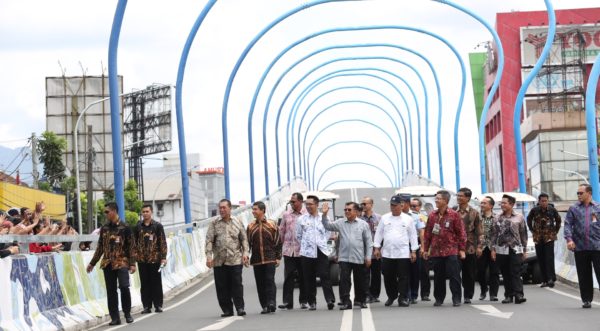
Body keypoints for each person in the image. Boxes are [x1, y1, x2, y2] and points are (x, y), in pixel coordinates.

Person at [86, 202, 137, 325]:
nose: (105, 214)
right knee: (111, 291)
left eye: (107, 212)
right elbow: (100, 248)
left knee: (124, 287)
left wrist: (133, 263)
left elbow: (131, 247)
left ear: (114, 211)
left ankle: (127, 313)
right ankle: (115, 317)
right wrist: (92, 263)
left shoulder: (125, 227)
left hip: (122, 262)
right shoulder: (104, 228)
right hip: (108, 263)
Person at [322, 201, 372, 310]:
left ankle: (360, 300)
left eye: (349, 209)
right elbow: (327, 226)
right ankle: (346, 302)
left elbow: (368, 242)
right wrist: (325, 214)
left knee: (360, 280)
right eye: (345, 210)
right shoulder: (340, 223)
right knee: (344, 280)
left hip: (358, 257)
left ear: (355, 211)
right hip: (344, 257)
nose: (347, 211)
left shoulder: (363, 224)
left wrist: (368, 257)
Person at [205, 199, 249, 317]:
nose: (222, 210)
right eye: (220, 208)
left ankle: (240, 307)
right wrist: (209, 257)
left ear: (230, 208)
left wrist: (245, 253)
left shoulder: (237, 222)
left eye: (224, 207)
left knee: (237, 285)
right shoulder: (214, 223)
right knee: (222, 287)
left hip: (235, 259)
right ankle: (227, 309)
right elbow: (209, 240)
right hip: (219, 261)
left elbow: (244, 239)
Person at [373, 194, 418, 307]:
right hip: (388, 253)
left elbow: (412, 235)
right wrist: (377, 248)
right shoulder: (385, 218)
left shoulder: (408, 219)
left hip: (403, 253)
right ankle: (392, 296)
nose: (393, 207)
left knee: (403, 276)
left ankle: (402, 298)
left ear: (401, 206)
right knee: (388, 276)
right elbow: (379, 233)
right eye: (391, 205)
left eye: (395, 205)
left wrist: (413, 251)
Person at [423, 190, 466, 307]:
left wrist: (462, 249)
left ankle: (456, 298)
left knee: (454, 276)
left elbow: (461, 233)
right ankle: (439, 298)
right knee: (438, 277)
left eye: (438, 198)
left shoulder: (454, 215)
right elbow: (427, 234)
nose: (436, 200)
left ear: (446, 201)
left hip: (451, 250)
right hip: (436, 251)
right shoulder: (432, 215)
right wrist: (426, 249)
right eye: (435, 198)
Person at [296, 195, 336, 311]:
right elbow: (298, 235)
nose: (308, 206)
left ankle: (329, 300)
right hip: (307, 253)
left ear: (317, 205)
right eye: (306, 204)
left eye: (310, 204)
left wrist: (321, 242)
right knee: (309, 278)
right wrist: (307, 244)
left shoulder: (324, 218)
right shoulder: (302, 219)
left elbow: (329, 233)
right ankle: (312, 302)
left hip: (321, 251)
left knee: (325, 276)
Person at [564, 184, 600, 309]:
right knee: (584, 275)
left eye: (581, 193)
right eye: (577, 193)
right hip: (580, 247)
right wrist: (569, 240)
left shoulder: (598, 207)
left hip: (597, 247)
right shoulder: (573, 208)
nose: (578, 195)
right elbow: (568, 225)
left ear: (589, 193)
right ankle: (586, 300)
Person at [490, 194, 527, 304]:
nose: (502, 205)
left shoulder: (519, 217)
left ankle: (519, 295)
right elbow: (493, 235)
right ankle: (508, 296)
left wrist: (524, 250)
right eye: (501, 203)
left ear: (511, 204)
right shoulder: (497, 217)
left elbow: (523, 234)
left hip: (516, 248)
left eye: (504, 203)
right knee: (505, 273)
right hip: (502, 249)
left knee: (515, 272)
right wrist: (493, 249)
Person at [247, 201, 282, 314]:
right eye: (253, 209)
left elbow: (278, 241)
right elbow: (247, 243)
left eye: (255, 209)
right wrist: (246, 255)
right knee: (260, 283)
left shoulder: (272, 224)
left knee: (269, 280)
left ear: (262, 210)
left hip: (270, 258)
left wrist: (278, 257)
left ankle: (271, 303)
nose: (253, 211)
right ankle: (265, 306)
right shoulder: (250, 226)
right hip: (257, 260)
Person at [134, 204, 167, 314]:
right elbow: (134, 243)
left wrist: (163, 257)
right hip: (142, 260)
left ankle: (158, 305)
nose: (145, 213)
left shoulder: (157, 226)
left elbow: (162, 242)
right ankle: (146, 306)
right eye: (143, 212)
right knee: (144, 284)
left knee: (156, 283)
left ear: (151, 212)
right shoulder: (138, 227)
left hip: (155, 259)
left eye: (147, 211)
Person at [278, 192, 308, 310]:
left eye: (293, 201)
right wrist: (280, 247)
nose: (291, 203)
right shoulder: (286, 215)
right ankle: (287, 302)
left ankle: (304, 301)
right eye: (290, 201)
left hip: (303, 251)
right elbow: (281, 231)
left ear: (300, 202)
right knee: (289, 277)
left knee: (303, 277)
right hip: (289, 250)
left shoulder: (307, 214)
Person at [453, 187, 483, 304]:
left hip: (470, 248)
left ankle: (468, 296)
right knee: (455, 273)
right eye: (458, 195)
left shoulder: (474, 213)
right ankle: (456, 296)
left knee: (469, 273)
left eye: (461, 196)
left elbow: (480, 232)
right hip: (454, 248)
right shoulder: (452, 211)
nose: (459, 198)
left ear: (468, 198)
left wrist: (479, 246)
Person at [527, 193, 561, 288]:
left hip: (549, 238)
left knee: (549, 258)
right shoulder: (534, 210)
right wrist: (532, 230)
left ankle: (551, 278)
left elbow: (558, 220)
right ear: (539, 201)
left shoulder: (552, 210)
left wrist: (555, 231)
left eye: (546, 201)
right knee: (540, 259)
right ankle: (544, 280)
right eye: (542, 201)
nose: (544, 202)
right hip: (538, 238)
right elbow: (529, 220)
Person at [477, 196, 499, 301]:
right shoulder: (477, 216)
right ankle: (483, 289)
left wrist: (495, 248)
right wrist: (478, 246)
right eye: (481, 203)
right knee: (480, 271)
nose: (482, 205)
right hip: (481, 247)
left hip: (493, 248)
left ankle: (493, 294)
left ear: (491, 205)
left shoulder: (497, 217)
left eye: (484, 203)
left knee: (494, 271)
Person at [404, 195, 426, 304]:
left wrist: (422, 247)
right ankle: (405, 294)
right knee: (403, 271)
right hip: (401, 246)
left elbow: (421, 231)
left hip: (414, 245)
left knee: (414, 271)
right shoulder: (396, 215)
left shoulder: (416, 216)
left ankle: (413, 294)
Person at [360, 196, 382, 303]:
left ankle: (375, 294)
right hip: (364, 251)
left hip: (376, 251)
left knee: (376, 275)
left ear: (371, 205)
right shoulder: (360, 219)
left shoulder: (379, 218)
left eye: (365, 204)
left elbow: (382, 234)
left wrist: (380, 248)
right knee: (365, 274)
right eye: (362, 204)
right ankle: (366, 294)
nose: (363, 206)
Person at [411, 198, 432, 301]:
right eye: (411, 205)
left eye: (415, 206)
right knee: (413, 271)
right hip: (412, 245)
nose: (413, 208)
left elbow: (427, 232)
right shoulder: (408, 216)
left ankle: (425, 294)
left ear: (419, 207)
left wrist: (425, 247)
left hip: (423, 244)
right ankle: (413, 295)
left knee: (424, 271)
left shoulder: (424, 217)